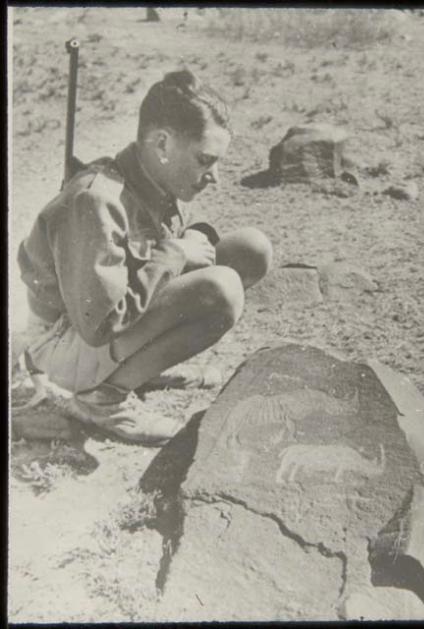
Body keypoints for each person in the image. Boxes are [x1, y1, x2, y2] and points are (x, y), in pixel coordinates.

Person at [17, 69, 273, 446]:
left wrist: (188, 241)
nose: (214, 176)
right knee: (222, 288)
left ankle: (137, 370)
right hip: (58, 347)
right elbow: (99, 325)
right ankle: (103, 399)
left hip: (103, 327)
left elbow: (144, 261)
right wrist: (174, 254)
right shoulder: (97, 199)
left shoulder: (153, 181)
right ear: (163, 144)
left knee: (252, 249)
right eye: (205, 160)